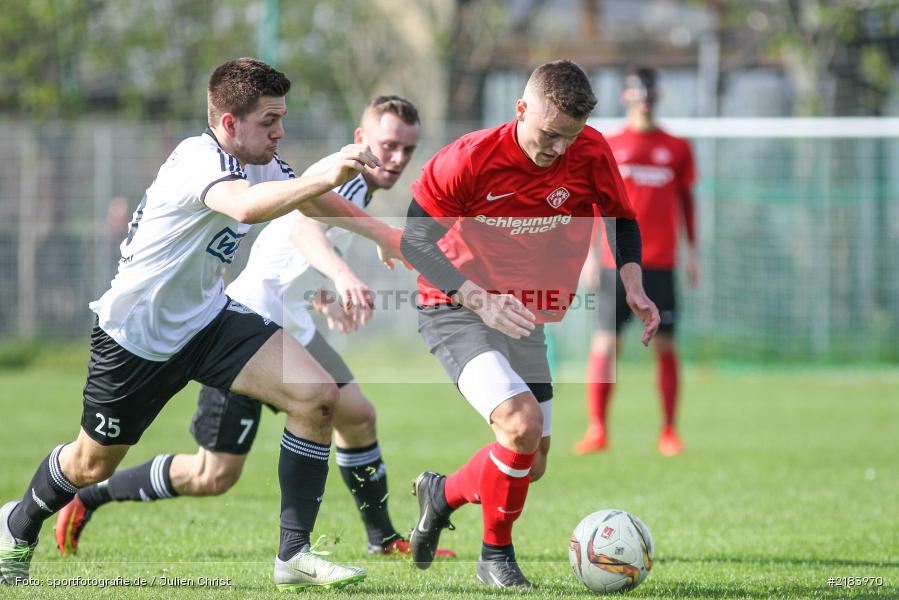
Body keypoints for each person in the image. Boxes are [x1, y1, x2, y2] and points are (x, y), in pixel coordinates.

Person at [0, 58, 405, 590]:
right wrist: (325, 175)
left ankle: (294, 555)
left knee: (317, 397)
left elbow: (315, 201)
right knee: (90, 465)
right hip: (136, 338)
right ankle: (16, 524)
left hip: (209, 322)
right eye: (269, 121)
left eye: (282, 119)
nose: (280, 132)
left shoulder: (262, 161)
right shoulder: (198, 158)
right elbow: (245, 208)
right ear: (229, 123)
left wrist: (384, 235)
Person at [54, 96, 454, 560]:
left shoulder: (357, 187)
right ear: (361, 139)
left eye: (408, 150)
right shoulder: (341, 175)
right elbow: (302, 229)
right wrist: (343, 275)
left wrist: (321, 293)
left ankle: (379, 539)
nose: (397, 158)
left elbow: (283, 252)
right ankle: (93, 492)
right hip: (250, 320)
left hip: (291, 321)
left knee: (357, 415)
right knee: (213, 475)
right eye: (389, 146)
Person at [399, 59, 661, 589]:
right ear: (521, 109)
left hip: (524, 313)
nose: (558, 149)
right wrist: (480, 299)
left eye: (570, 137)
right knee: (520, 425)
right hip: (455, 306)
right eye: (548, 134)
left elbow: (621, 217)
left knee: (532, 461)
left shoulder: (590, 152)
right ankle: (495, 557)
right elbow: (414, 241)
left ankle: (441, 494)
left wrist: (632, 284)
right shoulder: (468, 160)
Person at [573, 67, 698, 457]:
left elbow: (687, 203)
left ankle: (669, 432)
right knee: (605, 344)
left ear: (657, 95)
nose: (643, 99)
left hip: (661, 262)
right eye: (637, 92)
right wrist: (589, 254)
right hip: (614, 262)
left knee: (666, 345)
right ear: (625, 96)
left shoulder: (677, 147)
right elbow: (594, 204)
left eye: (649, 92)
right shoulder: (610, 144)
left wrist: (693, 252)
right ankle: (597, 430)